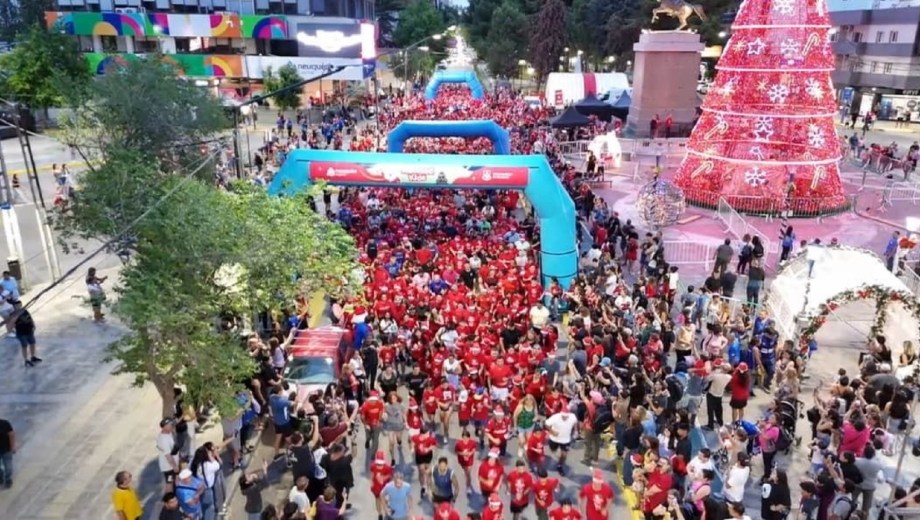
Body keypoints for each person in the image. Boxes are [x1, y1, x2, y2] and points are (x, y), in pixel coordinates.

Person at [545, 406, 578, 475]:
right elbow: (546, 424)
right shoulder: (555, 417)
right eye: (563, 416)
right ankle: (557, 455)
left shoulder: (572, 417)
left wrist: (576, 430)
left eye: (566, 416)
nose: (564, 418)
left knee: (564, 455)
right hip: (554, 439)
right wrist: (552, 431)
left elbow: (575, 422)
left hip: (565, 440)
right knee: (553, 450)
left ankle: (560, 466)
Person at [10, 300, 41, 367]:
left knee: (32, 343)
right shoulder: (12, 314)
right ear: (14, 307)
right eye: (17, 306)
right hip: (21, 333)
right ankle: (26, 360)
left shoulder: (25, 311)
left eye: (20, 305)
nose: (19, 306)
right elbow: (11, 323)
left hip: (29, 330)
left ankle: (33, 357)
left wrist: (33, 324)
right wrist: (18, 314)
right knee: (24, 346)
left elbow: (30, 317)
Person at [0, 417, 13, 488]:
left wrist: (12, 447)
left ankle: (8, 479)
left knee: (8, 467)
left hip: (6, 449)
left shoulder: (5, 423)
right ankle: (0, 476)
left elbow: (11, 435)